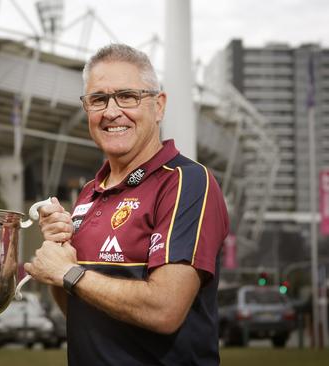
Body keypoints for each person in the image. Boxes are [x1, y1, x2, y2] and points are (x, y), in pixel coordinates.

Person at [24, 44, 229, 365]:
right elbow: (80, 311)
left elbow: (165, 309)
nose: (111, 111)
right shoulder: (89, 193)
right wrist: (60, 250)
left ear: (158, 106)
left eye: (128, 96)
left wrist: (68, 272)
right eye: (98, 99)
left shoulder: (186, 182)